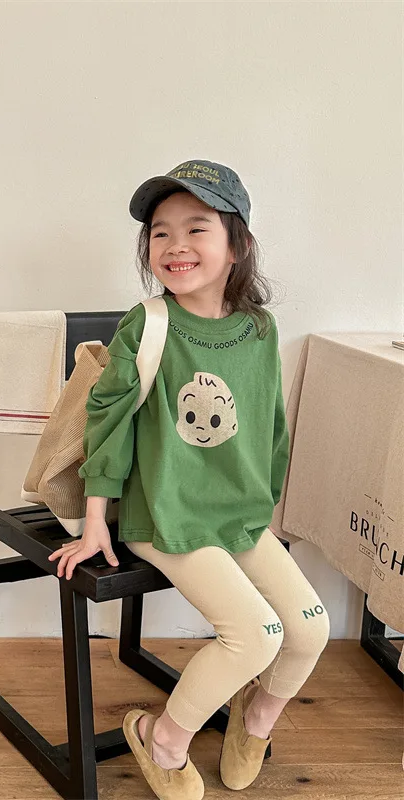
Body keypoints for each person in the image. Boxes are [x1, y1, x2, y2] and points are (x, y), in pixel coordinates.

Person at [48, 160, 330, 800]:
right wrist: (94, 522)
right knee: (255, 635)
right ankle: (161, 737)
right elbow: (108, 424)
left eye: (196, 228)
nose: (175, 246)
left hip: (238, 514)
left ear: (238, 244)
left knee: (310, 630)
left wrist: (268, 509)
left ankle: (255, 720)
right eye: (160, 232)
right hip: (165, 514)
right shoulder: (148, 324)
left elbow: (270, 426)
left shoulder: (259, 328)